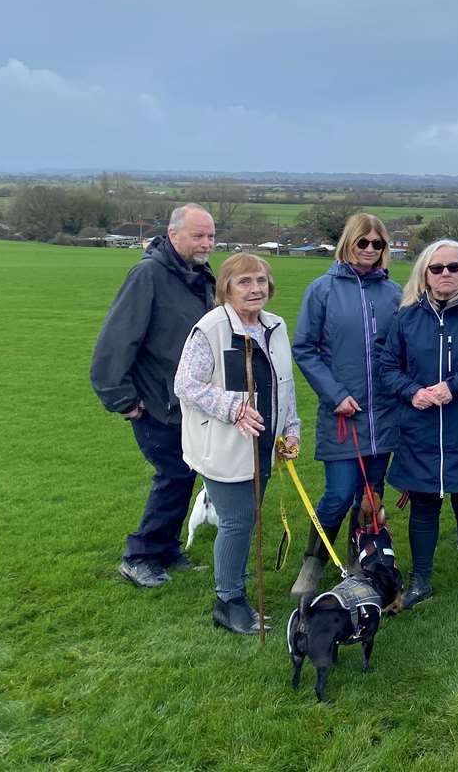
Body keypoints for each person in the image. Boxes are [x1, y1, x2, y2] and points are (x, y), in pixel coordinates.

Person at [91, 203, 217, 589]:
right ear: (173, 234)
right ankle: (139, 555)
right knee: (174, 474)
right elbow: (116, 341)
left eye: (211, 236)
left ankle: (166, 549)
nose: (207, 243)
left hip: (187, 403)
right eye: (199, 236)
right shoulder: (148, 275)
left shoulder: (199, 277)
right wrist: (124, 400)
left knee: (184, 475)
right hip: (154, 403)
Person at [174, 253, 301, 633]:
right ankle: (228, 602)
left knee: (247, 521)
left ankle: (236, 590)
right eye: (245, 281)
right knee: (237, 521)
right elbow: (186, 384)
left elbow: (284, 386)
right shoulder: (210, 328)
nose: (256, 288)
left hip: (262, 445)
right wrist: (234, 408)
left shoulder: (275, 326)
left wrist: (290, 429)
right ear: (226, 287)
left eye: (261, 280)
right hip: (223, 446)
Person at [378, 239, 458, 612]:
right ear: (425, 274)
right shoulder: (407, 317)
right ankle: (420, 580)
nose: (446, 274)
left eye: (454, 267)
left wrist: (454, 387)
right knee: (423, 508)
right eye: (437, 268)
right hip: (420, 428)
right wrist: (412, 391)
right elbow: (388, 367)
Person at [289, 214, 402, 598]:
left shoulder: (394, 293)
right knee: (338, 493)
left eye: (378, 244)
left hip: (384, 412)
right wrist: (335, 394)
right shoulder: (322, 290)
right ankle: (314, 561)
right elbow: (304, 348)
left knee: (371, 494)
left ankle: (360, 561)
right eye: (363, 242)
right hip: (343, 413)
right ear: (348, 243)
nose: (370, 250)